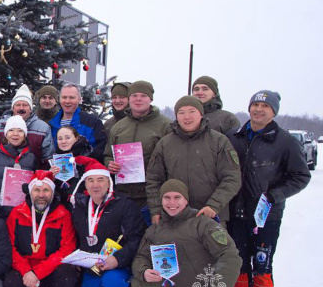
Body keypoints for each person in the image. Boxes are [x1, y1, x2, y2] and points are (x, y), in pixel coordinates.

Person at [223, 91, 310, 287]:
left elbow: (301, 176)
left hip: (267, 215)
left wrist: (275, 195)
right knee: (238, 261)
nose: (258, 110)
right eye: (255, 105)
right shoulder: (234, 137)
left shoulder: (284, 141)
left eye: (264, 106)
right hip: (237, 211)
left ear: (274, 111)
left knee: (262, 263)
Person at [131, 179, 242, 287]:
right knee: (139, 283)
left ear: (186, 200)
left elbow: (231, 257)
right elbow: (141, 257)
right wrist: (144, 271)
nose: (172, 203)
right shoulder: (155, 229)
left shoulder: (202, 223)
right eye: (167, 198)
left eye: (177, 197)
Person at [68, 164, 144, 287]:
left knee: (112, 281)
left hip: (117, 264)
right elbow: (73, 234)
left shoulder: (124, 205)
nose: (95, 185)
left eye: (100, 180)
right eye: (91, 180)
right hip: (92, 267)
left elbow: (137, 238)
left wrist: (117, 259)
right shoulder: (79, 206)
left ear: (109, 183)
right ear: (85, 184)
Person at [146, 96, 241, 228]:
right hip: (174, 217)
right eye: (181, 112)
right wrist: (156, 210)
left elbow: (232, 178)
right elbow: (153, 180)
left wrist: (214, 205)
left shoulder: (219, 141)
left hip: (211, 216)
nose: (187, 117)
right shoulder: (165, 143)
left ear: (201, 114)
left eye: (192, 111)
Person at [4, 171, 78, 287]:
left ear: (52, 192)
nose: (41, 195)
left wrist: (37, 272)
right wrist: (27, 272)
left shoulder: (63, 215)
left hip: (50, 269)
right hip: (26, 270)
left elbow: (67, 249)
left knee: (68, 274)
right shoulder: (17, 213)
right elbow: (10, 246)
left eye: (46, 190)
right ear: (30, 192)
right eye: (37, 190)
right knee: (11, 284)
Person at [103, 81, 172, 213]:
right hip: (123, 193)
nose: (138, 99)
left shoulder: (165, 125)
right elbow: (108, 154)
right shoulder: (118, 126)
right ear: (129, 99)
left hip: (152, 195)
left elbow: (172, 160)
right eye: (134, 95)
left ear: (150, 99)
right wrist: (109, 164)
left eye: (143, 95)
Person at [0, 84, 54, 166]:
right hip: (1, 174)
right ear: (13, 108)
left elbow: (48, 157)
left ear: (30, 108)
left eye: (25, 105)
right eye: (17, 105)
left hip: (31, 175)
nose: (21, 108)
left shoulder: (42, 128)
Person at [0, 115, 38, 214]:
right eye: (11, 130)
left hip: (23, 212)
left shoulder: (31, 158)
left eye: (20, 131)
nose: (15, 134)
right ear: (6, 134)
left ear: (24, 135)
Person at [49, 83, 107, 161]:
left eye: (72, 97)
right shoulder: (52, 124)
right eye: (64, 97)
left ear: (79, 99)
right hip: (59, 170)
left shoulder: (92, 123)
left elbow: (99, 152)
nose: (67, 101)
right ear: (59, 99)